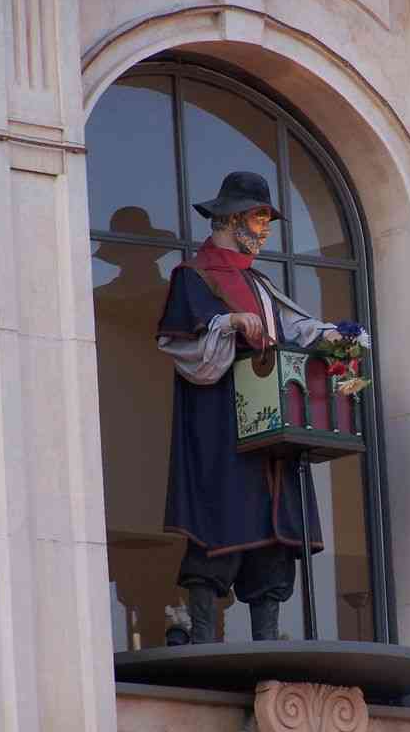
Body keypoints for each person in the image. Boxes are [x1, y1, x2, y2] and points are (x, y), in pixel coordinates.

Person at [156, 171, 341, 643]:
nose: (264, 231)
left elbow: (295, 326)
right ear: (232, 218)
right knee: (219, 520)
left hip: (272, 435)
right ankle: (201, 637)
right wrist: (228, 323)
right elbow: (181, 346)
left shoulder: (258, 281)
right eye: (259, 219)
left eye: (265, 221)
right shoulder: (193, 276)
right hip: (223, 427)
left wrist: (337, 338)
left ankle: (268, 646)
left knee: (273, 537)